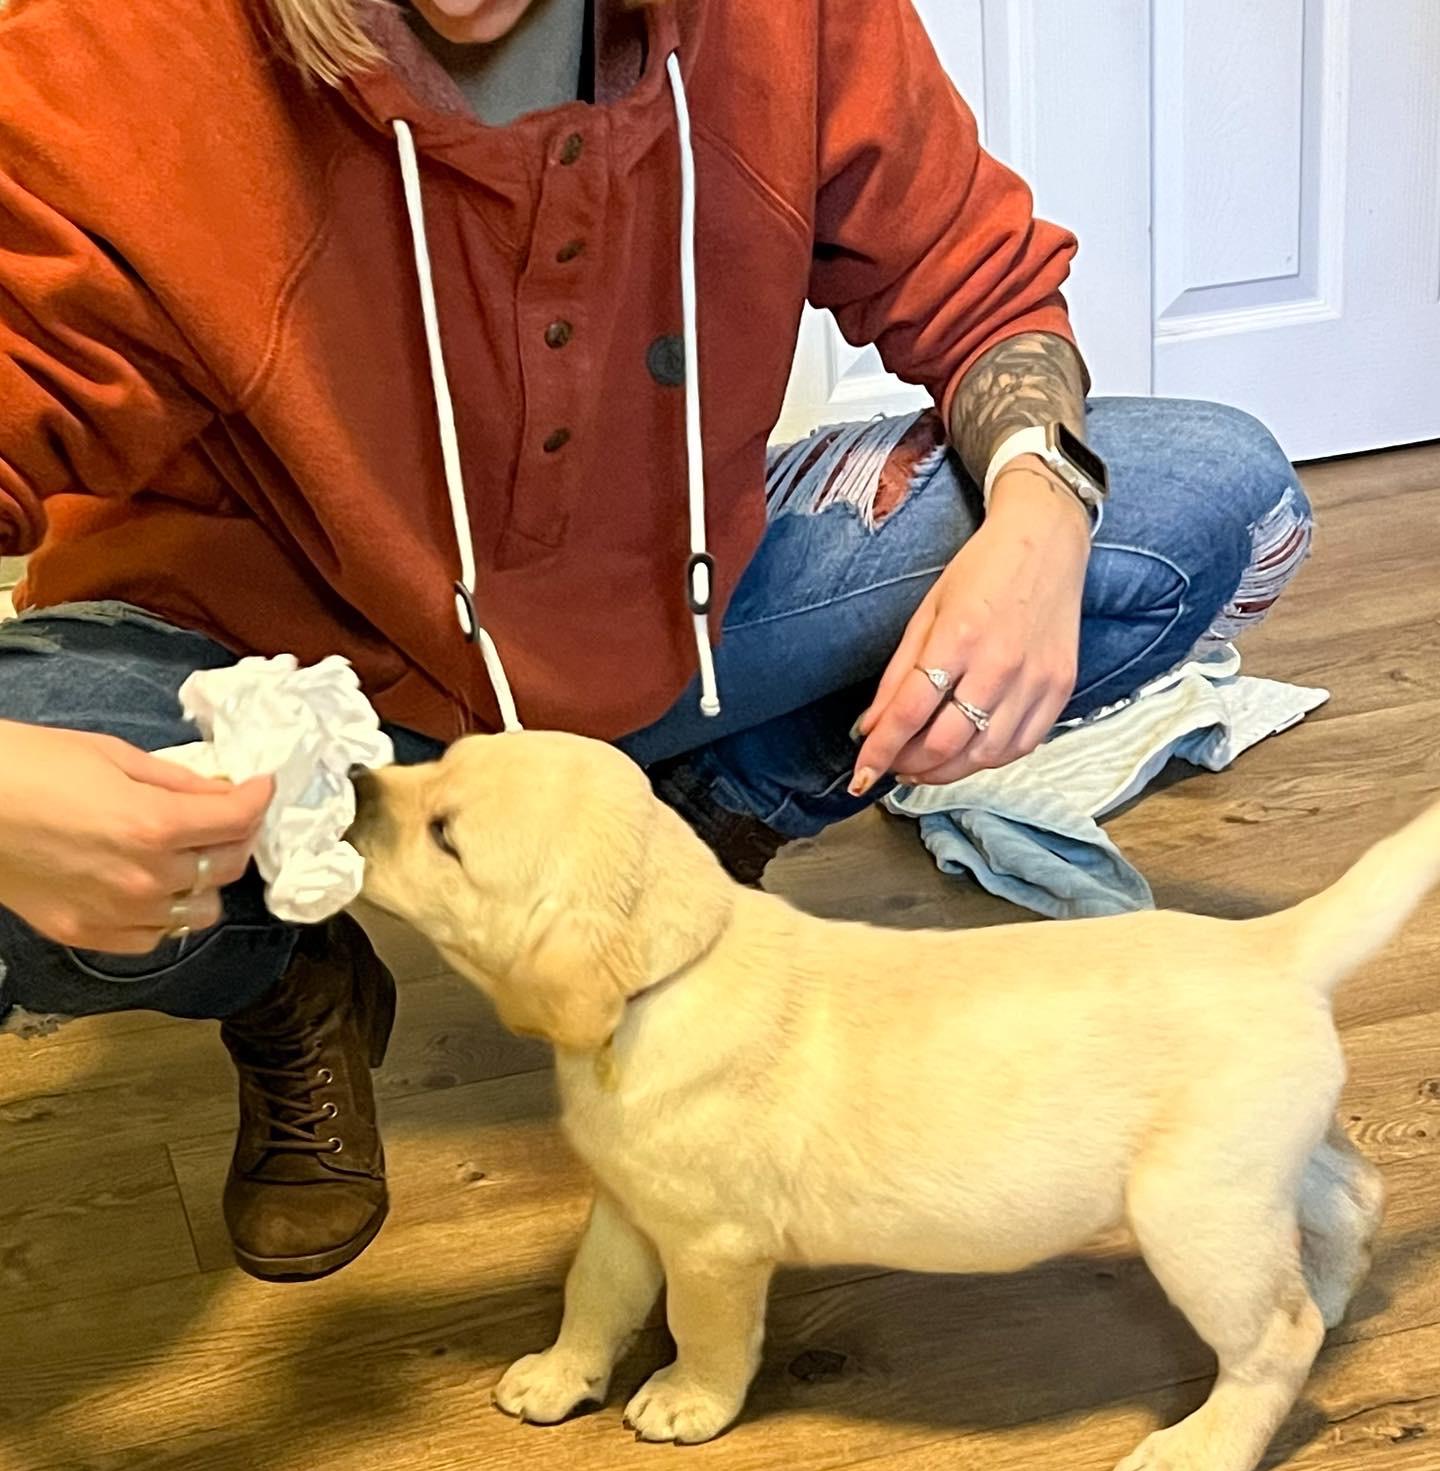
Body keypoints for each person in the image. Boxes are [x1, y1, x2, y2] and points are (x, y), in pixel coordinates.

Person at [0, 0, 1313, 1282]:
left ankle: (703, 823)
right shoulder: (102, 47)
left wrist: (1040, 510)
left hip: (672, 619)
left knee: (1194, 498)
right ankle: (281, 976)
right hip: (280, 675)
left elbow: (979, 283)